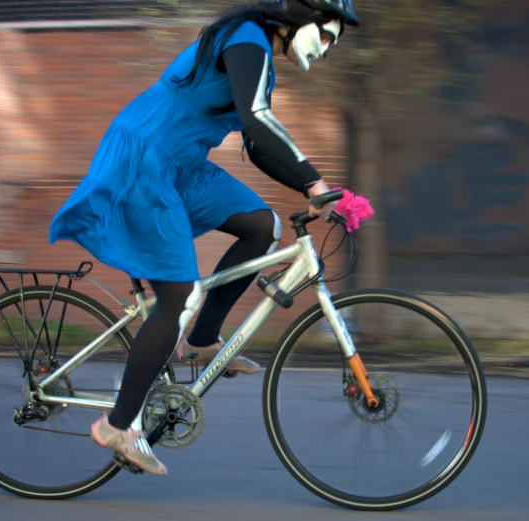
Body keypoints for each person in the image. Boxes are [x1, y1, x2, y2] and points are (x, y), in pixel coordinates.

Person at [48, 0, 359, 476]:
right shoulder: (245, 39)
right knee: (179, 294)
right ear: (300, 14)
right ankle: (117, 424)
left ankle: (204, 337)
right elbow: (256, 119)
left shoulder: (262, 63)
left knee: (262, 226)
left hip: (184, 166)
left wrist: (306, 185)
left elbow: (256, 145)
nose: (328, 49)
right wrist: (315, 180)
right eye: (328, 35)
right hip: (145, 161)